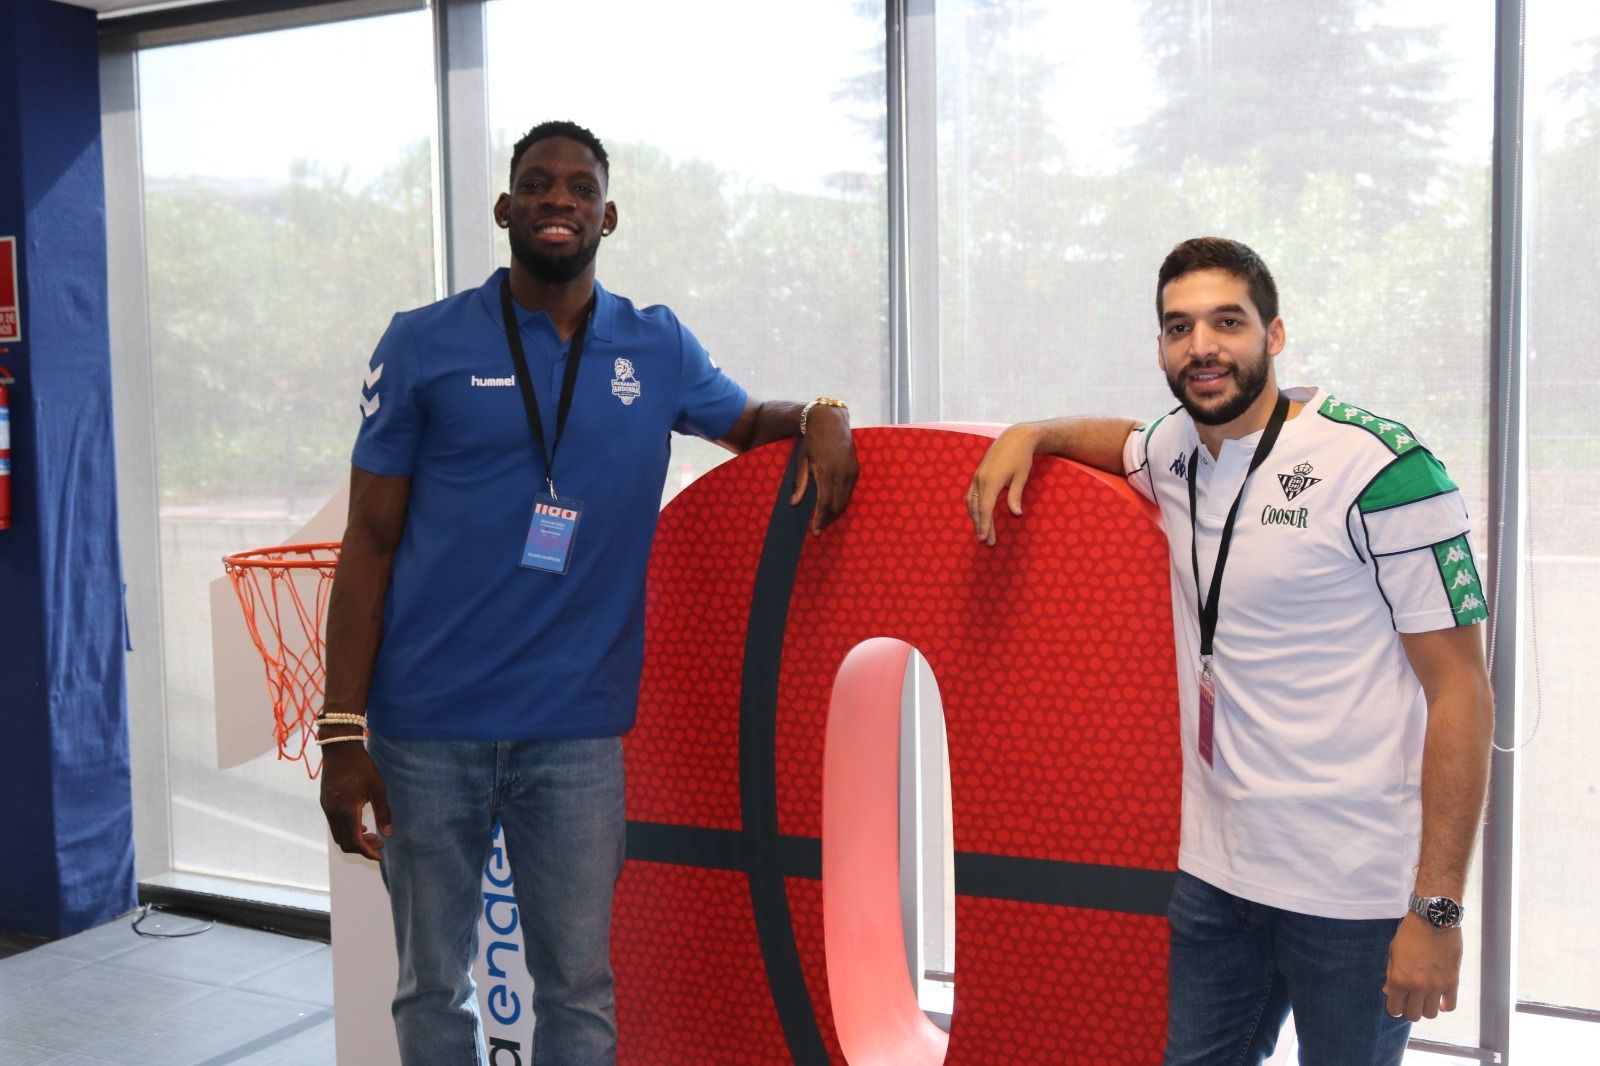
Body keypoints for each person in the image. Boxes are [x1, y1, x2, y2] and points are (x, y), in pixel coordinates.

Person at [315, 119, 858, 1066]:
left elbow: (748, 423)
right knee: (431, 990)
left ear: (609, 215)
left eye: (578, 188)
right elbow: (368, 540)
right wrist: (340, 732)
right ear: (505, 208)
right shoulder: (422, 344)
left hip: (574, 738)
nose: (556, 200)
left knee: (579, 989)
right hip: (427, 731)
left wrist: (821, 413)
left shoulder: (654, 346)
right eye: (536, 183)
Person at [966, 237, 1493, 1065]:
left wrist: (1436, 912)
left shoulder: (1383, 469)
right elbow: (1125, 440)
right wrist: (1034, 431)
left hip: (1352, 894)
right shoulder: (1178, 448)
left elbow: (1461, 690)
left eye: (1227, 322)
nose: (1202, 346)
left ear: (1274, 336)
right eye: (1179, 328)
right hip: (1216, 879)